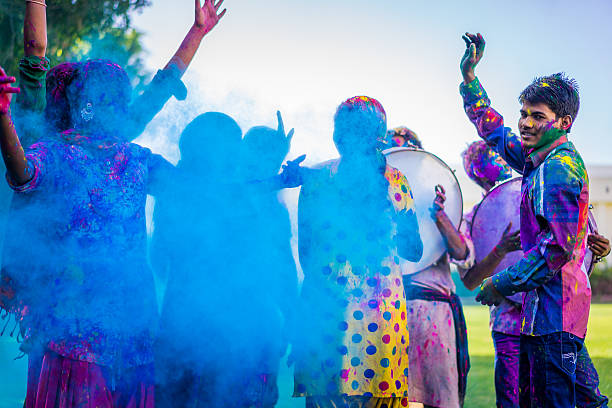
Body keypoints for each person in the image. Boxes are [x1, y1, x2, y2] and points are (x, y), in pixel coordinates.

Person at [0, 1, 226, 406]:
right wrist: (2, 116)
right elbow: (21, 176)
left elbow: (193, 188)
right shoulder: (59, 152)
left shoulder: (136, 157)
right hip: (74, 328)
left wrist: (197, 34)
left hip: (128, 328)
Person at [460, 32, 591, 407]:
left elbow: (557, 249)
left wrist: (500, 282)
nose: (525, 123)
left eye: (538, 116)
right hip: (548, 315)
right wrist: (470, 80)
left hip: (556, 318)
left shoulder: (559, 169)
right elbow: (495, 133)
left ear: (563, 122)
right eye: (524, 113)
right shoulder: (539, 160)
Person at [152, 111, 298, 408]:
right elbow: (281, 269)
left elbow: (159, 260)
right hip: (245, 335)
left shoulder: (173, 194)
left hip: (184, 330)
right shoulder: (256, 198)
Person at [291, 96, 423, 408]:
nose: (341, 137)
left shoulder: (318, 179)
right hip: (374, 316)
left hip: (332, 311)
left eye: (346, 130)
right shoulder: (393, 181)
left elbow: (306, 254)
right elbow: (413, 250)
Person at [459, 140, 610, 408]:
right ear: (477, 173)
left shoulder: (539, 195)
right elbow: (470, 281)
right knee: (514, 402)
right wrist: (500, 250)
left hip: (552, 317)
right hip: (510, 326)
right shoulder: (474, 219)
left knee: (583, 397)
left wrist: (593, 251)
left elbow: (562, 254)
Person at [383, 126, 474, 408]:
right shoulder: (374, 203)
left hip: (435, 314)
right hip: (388, 310)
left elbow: (462, 252)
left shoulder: (441, 202)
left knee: (441, 399)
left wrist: (439, 216)